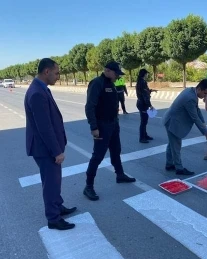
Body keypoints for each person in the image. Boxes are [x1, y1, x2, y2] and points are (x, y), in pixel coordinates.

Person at [24, 58, 76, 230]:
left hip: (45, 147)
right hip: (45, 148)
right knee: (51, 183)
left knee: (54, 181)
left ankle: (57, 206)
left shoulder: (40, 88)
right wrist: (56, 151)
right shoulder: (37, 93)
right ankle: (53, 218)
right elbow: (44, 127)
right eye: (56, 73)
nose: (58, 76)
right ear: (47, 72)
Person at [84, 61, 136, 201]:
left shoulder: (111, 84)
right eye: (116, 73)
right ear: (107, 71)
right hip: (101, 126)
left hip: (113, 124)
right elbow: (89, 106)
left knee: (116, 150)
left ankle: (120, 174)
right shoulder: (97, 83)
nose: (118, 76)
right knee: (98, 156)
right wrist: (94, 127)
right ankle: (88, 186)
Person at [163, 79, 207, 175]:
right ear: (199, 89)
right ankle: (179, 168)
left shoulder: (191, 91)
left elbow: (197, 110)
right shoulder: (190, 98)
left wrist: (203, 123)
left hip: (171, 119)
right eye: (205, 93)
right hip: (172, 122)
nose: (205, 96)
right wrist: (206, 133)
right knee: (176, 145)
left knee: (172, 144)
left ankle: (169, 164)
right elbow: (194, 117)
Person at [136, 68, 156, 143]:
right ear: (144, 74)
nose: (147, 75)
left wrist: (151, 90)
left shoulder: (140, 81)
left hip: (141, 103)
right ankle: (142, 138)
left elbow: (143, 92)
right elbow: (144, 95)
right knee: (143, 122)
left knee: (144, 121)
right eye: (146, 73)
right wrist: (150, 105)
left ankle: (145, 135)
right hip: (143, 104)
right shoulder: (142, 82)